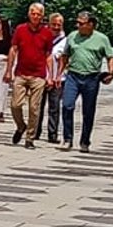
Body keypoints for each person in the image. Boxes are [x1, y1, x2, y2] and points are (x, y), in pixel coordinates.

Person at [56, 12, 113, 154]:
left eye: (82, 23)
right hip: (73, 76)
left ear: (91, 24)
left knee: (88, 111)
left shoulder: (102, 39)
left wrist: (111, 73)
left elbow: (110, 57)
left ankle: (85, 141)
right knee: (67, 105)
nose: (79, 26)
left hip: (91, 78)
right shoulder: (72, 36)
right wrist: (59, 74)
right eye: (78, 23)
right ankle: (67, 138)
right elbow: (65, 56)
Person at [6, 3, 55, 149]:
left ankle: (30, 137)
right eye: (33, 13)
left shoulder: (47, 33)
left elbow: (49, 56)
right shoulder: (20, 29)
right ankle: (21, 126)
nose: (36, 17)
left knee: (34, 108)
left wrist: (50, 76)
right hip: (21, 72)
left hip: (38, 75)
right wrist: (9, 70)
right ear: (29, 14)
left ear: (42, 16)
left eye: (38, 14)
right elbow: (13, 50)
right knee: (15, 104)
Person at [43, 12, 66, 144]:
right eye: (54, 24)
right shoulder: (43, 37)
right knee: (37, 107)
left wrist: (57, 76)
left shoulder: (65, 40)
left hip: (58, 79)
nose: (56, 27)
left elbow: (64, 59)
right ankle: (35, 131)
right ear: (49, 24)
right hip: (42, 76)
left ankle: (52, 134)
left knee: (55, 107)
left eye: (59, 24)